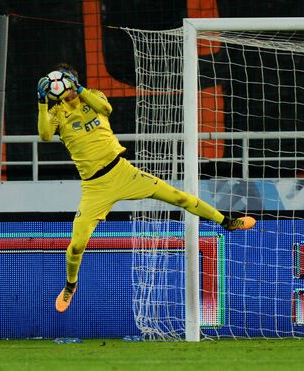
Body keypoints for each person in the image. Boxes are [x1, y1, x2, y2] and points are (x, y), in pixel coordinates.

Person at [36, 63, 256, 313]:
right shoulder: (55, 113)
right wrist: (42, 102)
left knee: (178, 197)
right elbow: (44, 135)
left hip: (122, 171)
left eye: (67, 79)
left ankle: (227, 221)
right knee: (76, 245)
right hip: (94, 186)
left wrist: (79, 88)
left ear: (72, 80)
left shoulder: (94, 96)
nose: (63, 84)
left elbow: (106, 108)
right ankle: (70, 285)